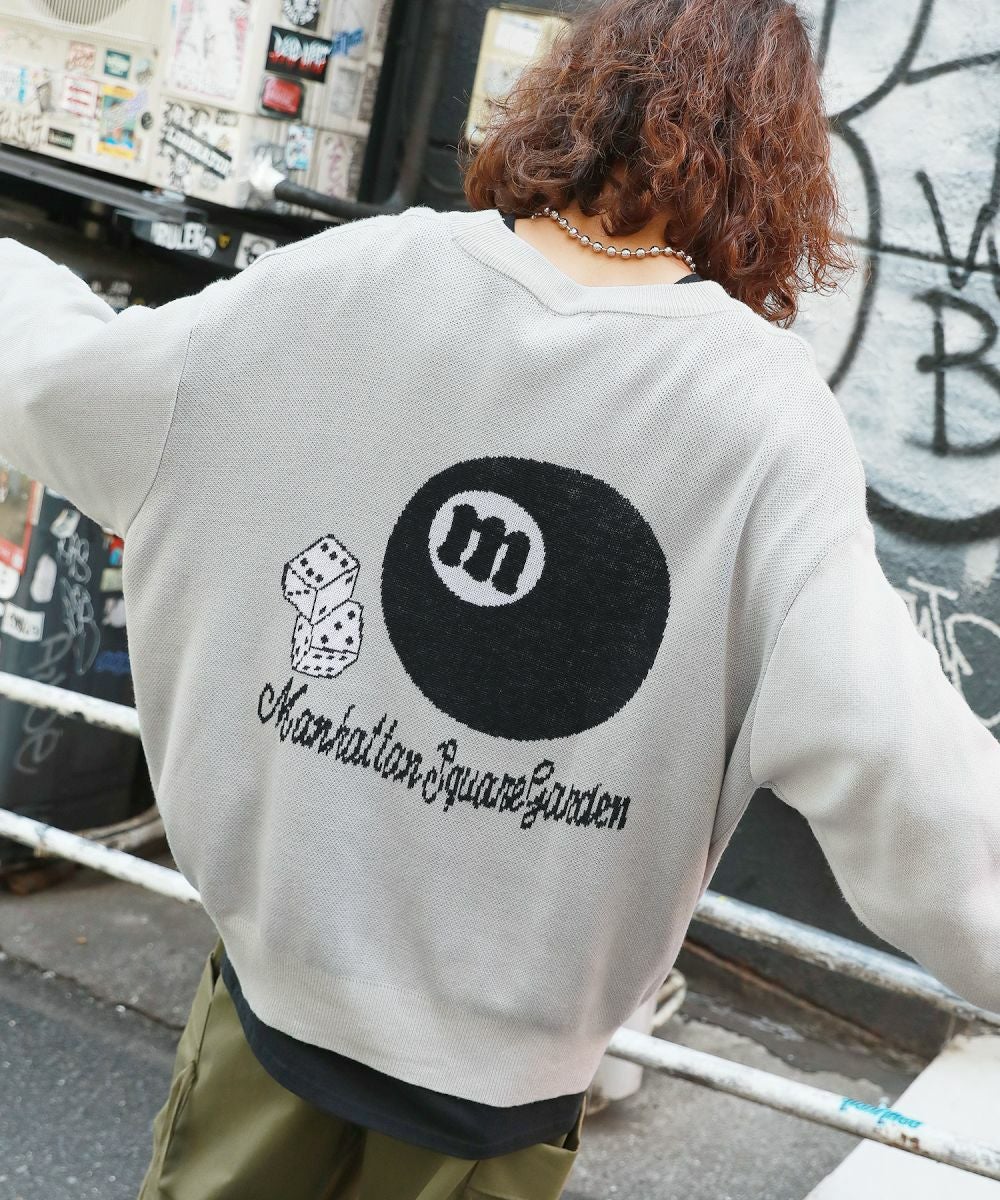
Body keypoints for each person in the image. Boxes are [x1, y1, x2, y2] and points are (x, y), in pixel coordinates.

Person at [1, 0, 997, 1196]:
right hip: (502, 1099)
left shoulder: (349, 281)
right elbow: (909, 785)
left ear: (573, 87)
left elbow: (57, 379)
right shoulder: (762, 420)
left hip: (266, 1010)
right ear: (778, 159)